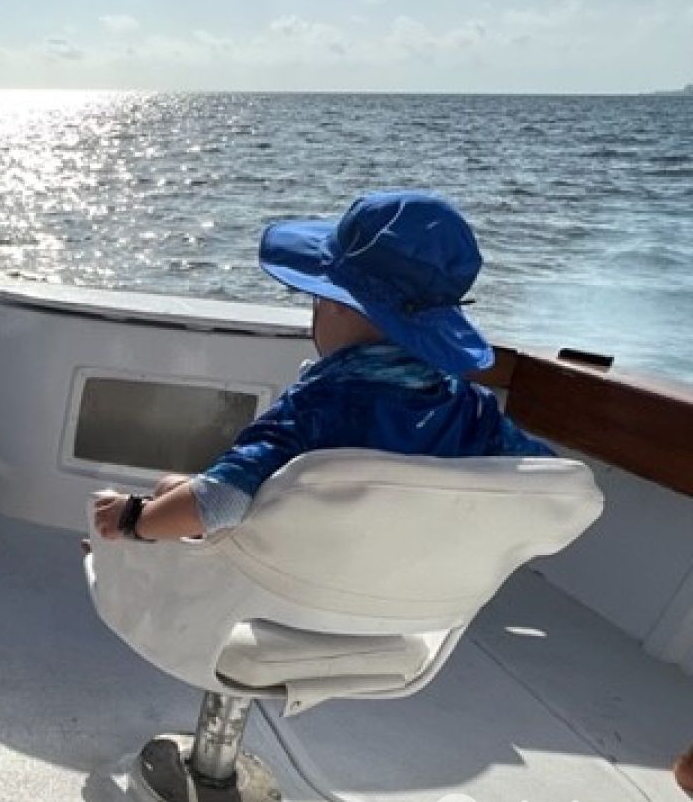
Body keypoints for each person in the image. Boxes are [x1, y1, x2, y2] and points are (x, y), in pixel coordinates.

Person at [93, 190, 552, 543]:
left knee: (168, 494)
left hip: (288, 589)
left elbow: (222, 502)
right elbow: (553, 480)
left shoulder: (312, 410)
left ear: (337, 304)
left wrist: (133, 520)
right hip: (411, 600)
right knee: (176, 489)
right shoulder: (474, 411)